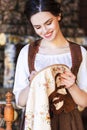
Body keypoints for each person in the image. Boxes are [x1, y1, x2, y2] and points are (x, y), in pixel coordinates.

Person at [13, 0, 87, 130]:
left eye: (48, 23)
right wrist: (32, 84)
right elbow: (20, 102)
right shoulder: (27, 52)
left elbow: (84, 101)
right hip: (35, 121)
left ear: (58, 15)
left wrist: (72, 85)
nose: (45, 30)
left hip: (68, 123)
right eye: (38, 27)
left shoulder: (79, 52)